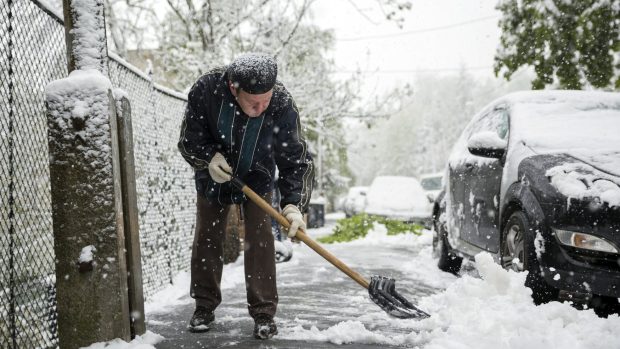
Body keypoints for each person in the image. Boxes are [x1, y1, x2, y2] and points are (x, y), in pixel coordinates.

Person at [177, 52, 314, 339]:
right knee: (207, 236)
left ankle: (264, 313)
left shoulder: (281, 102)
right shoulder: (207, 90)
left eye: (266, 100)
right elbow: (189, 139)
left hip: (257, 175)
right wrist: (208, 158)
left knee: (260, 237)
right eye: (254, 102)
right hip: (215, 173)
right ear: (233, 89)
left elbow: (295, 159)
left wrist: (293, 205)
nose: (262, 107)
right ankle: (204, 305)